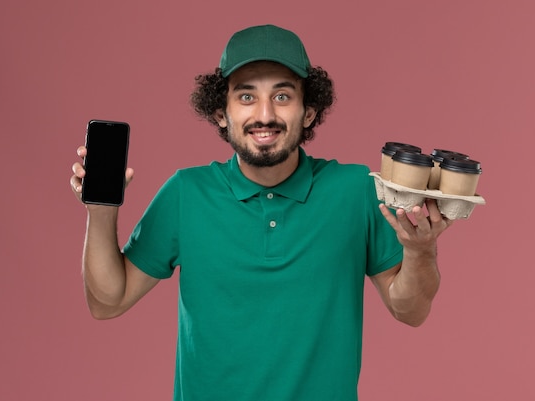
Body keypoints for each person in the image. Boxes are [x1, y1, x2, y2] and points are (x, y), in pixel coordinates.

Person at [70, 24, 452, 401]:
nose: (265, 115)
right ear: (222, 113)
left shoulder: (355, 191)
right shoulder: (187, 193)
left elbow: (412, 311)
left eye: (282, 96)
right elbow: (108, 302)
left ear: (308, 113)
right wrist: (101, 210)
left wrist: (420, 250)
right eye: (247, 97)